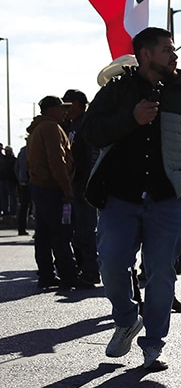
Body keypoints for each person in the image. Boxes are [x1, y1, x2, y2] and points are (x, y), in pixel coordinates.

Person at [83, 27, 181, 372]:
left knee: (161, 273)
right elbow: (90, 131)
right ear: (146, 55)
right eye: (167, 50)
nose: (174, 56)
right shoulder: (116, 91)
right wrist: (132, 118)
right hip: (119, 198)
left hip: (167, 199)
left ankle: (153, 344)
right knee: (111, 263)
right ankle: (127, 319)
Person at [27, 95, 84, 290]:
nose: (64, 112)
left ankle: (46, 275)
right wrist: (67, 188)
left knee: (43, 234)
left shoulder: (37, 128)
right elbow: (56, 161)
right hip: (52, 188)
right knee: (61, 233)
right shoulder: (51, 128)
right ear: (51, 109)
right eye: (61, 108)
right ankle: (69, 275)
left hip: (40, 187)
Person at [63, 89, 100, 285]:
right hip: (75, 184)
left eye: (67, 103)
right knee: (77, 230)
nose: (65, 109)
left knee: (86, 229)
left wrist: (91, 183)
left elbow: (92, 154)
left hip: (85, 183)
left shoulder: (86, 124)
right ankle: (85, 267)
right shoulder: (71, 125)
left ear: (77, 104)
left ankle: (91, 271)